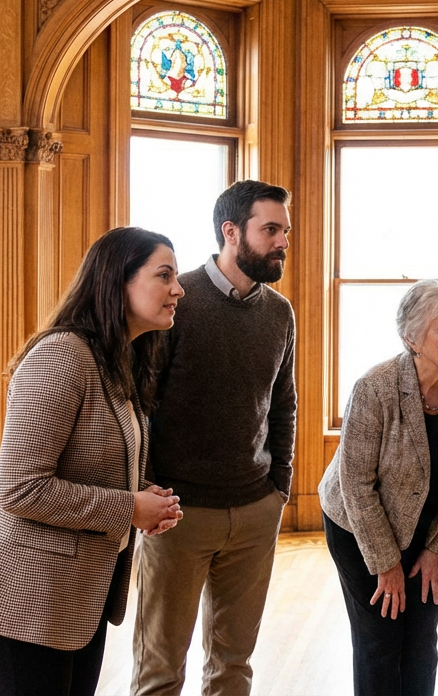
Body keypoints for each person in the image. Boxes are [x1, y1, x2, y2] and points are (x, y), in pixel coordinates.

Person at [0, 226, 186, 696]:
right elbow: (20, 488)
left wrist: (146, 498)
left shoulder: (119, 359)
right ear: (117, 281)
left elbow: (102, 459)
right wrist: (129, 508)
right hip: (24, 600)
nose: (178, 289)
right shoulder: (61, 357)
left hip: (77, 598)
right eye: (164, 275)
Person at [132, 180, 297, 696]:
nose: (282, 242)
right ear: (231, 232)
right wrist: (147, 488)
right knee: (160, 671)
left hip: (254, 511)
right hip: (178, 513)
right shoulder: (176, 300)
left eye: (285, 231)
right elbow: (140, 401)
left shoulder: (280, 312)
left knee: (233, 667)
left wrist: (279, 487)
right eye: (270, 230)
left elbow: (283, 404)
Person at [319, 280, 438, 696]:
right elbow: (356, 485)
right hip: (359, 529)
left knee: (421, 644)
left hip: (426, 530)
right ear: (411, 338)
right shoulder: (374, 388)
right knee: (380, 642)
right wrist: (386, 565)